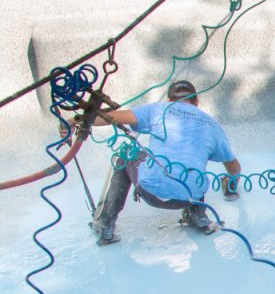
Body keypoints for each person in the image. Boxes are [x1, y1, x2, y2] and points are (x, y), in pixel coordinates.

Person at [88, 80, 241, 245]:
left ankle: (105, 225)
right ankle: (198, 217)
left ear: (169, 100)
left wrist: (74, 121)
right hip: (191, 198)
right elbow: (234, 167)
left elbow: (105, 118)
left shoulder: (158, 109)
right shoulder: (213, 125)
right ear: (196, 102)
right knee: (193, 162)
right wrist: (230, 186)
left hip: (151, 192)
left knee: (126, 153)